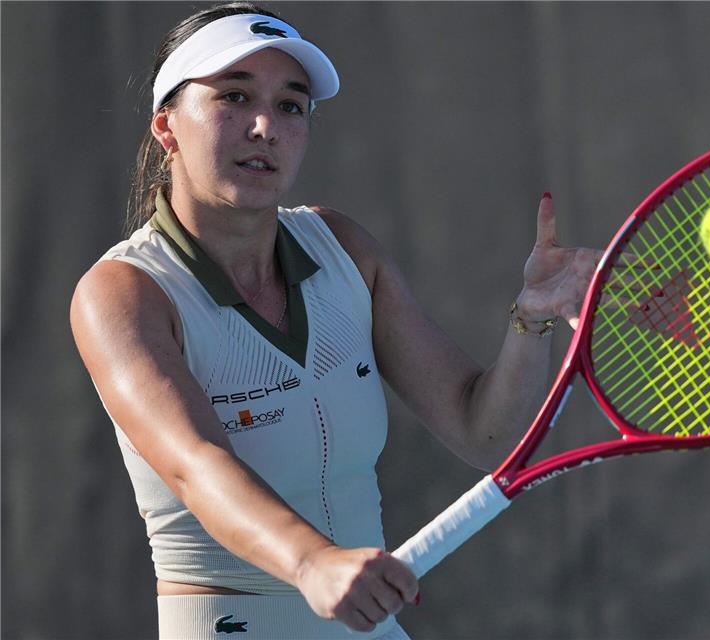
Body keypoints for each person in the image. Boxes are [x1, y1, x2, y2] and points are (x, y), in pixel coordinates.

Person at [70, 3, 600, 639]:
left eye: (291, 106)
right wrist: (312, 561)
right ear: (167, 128)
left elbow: (486, 435)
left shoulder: (343, 248)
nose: (265, 125)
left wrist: (532, 320)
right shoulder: (122, 293)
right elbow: (195, 463)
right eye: (234, 96)